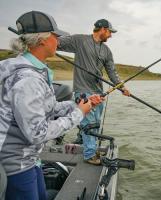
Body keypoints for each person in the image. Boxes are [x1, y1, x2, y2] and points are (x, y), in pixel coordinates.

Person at [0, 11, 104, 200]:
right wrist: (79, 114)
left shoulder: (34, 73)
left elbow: (48, 108)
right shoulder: (28, 81)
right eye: (56, 36)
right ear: (42, 41)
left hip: (30, 160)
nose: (59, 40)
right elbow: (37, 133)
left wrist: (78, 104)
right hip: (15, 165)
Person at [58, 19, 130, 165]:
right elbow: (56, 43)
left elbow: (112, 72)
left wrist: (122, 87)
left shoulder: (106, 51)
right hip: (83, 91)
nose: (110, 35)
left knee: (94, 124)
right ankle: (90, 155)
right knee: (89, 123)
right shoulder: (79, 40)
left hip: (99, 93)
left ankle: (88, 147)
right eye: (110, 32)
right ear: (102, 29)